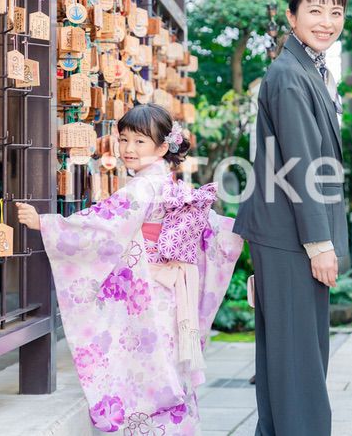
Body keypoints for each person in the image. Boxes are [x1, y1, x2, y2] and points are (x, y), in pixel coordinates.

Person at [16, 104, 243, 434]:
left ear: (162, 148)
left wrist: (48, 225)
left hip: (151, 292)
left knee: (149, 370)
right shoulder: (167, 182)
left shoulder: (143, 187)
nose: (128, 149)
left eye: (139, 141)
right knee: (166, 364)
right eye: (124, 140)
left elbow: (103, 226)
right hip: (169, 291)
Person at [233, 0, 348, 436]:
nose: (326, 22)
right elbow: (302, 164)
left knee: (291, 356)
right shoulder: (289, 76)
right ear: (292, 16)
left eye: (335, 12)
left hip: (285, 233)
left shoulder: (307, 70)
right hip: (291, 236)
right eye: (315, 10)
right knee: (299, 359)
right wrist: (319, 243)